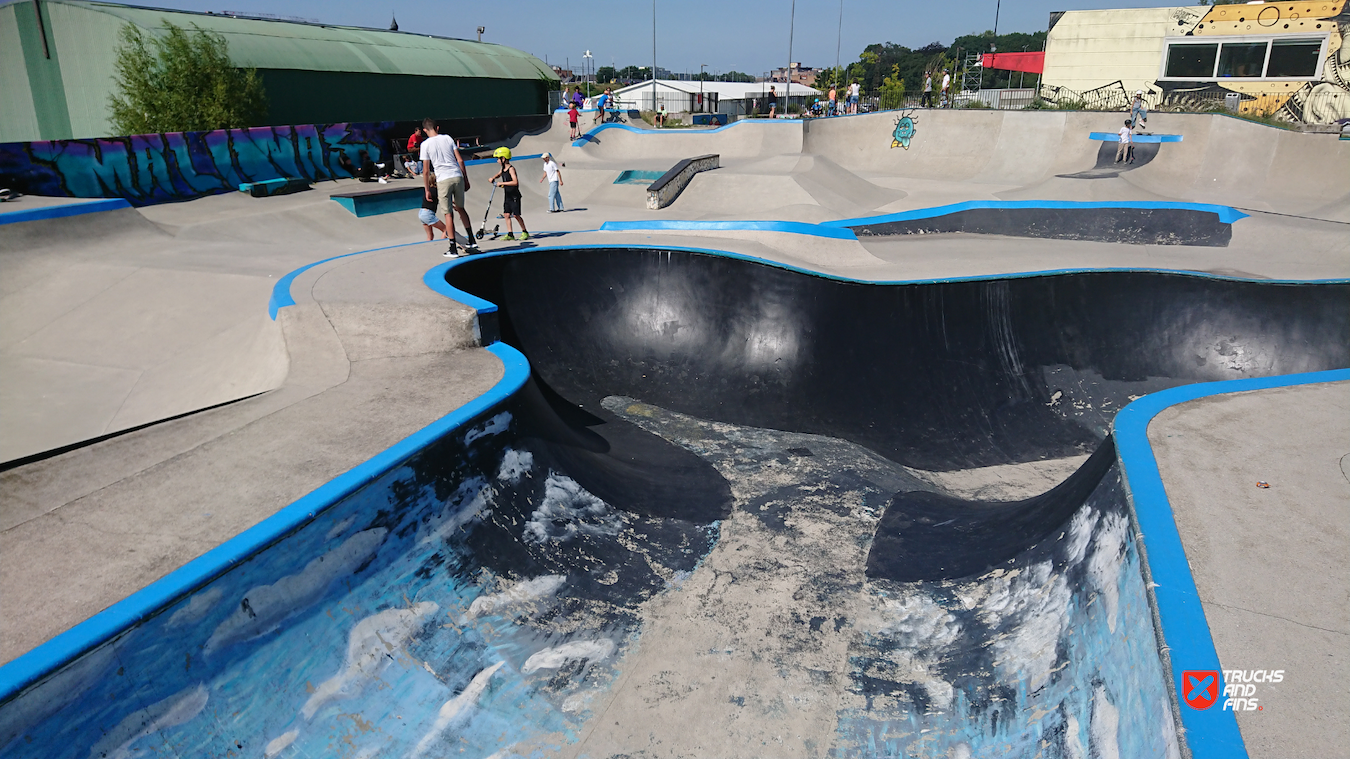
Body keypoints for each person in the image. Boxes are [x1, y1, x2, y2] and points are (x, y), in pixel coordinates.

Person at [419, 117, 477, 257]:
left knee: (448, 214)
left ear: (424, 130)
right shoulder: (448, 138)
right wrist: (466, 179)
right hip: (457, 175)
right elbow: (460, 160)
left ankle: (453, 248)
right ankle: (472, 240)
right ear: (437, 128)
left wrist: (427, 189)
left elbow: (426, 171)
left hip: (443, 179)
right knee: (461, 208)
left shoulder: (425, 145)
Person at [489, 147, 529, 241]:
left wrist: (502, 183)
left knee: (516, 215)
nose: (497, 161)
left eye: (498, 159)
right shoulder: (503, 168)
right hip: (508, 195)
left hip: (514, 195)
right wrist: (493, 178)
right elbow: (499, 174)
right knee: (506, 214)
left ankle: (525, 232)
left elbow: (515, 182)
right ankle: (510, 234)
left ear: (503, 158)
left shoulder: (511, 169)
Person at [418, 169, 449, 241]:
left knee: (430, 236)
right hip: (428, 214)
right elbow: (443, 199)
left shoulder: (428, 190)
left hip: (421, 213)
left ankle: (428, 248)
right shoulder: (436, 190)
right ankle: (441, 244)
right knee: (446, 230)